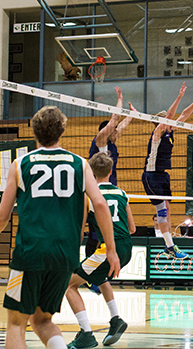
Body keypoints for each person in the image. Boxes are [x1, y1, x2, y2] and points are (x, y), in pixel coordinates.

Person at [0, 106, 120, 349]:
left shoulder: (19, 164)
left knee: (16, 324)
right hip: (65, 256)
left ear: (34, 131)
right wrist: (111, 250)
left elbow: (2, 217)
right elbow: (99, 203)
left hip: (29, 254)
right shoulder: (80, 164)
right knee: (42, 320)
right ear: (62, 132)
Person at [66, 152, 136, 349]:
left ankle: (86, 334)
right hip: (127, 249)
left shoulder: (90, 196)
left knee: (69, 286)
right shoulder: (122, 194)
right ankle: (116, 320)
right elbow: (132, 228)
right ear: (111, 171)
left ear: (90, 172)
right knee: (100, 277)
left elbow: (79, 231)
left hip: (107, 249)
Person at [142, 82, 193, 259]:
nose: (172, 122)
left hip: (162, 175)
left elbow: (184, 114)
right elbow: (171, 115)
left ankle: (169, 245)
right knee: (161, 209)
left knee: (167, 208)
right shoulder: (157, 133)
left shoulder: (170, 130)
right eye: (168, 121)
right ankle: (169, 246)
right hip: (150, 175)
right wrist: (179, 96)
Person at [87, 87, 135, 293]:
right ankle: (92, 275)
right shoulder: (100, 141)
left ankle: (98, 275)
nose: (118, 133)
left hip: (110, 191)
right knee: (97, 233)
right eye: (113, 131)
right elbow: (114, 120)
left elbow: (120, 125)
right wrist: (120, 99)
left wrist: (132, 115)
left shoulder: (112, 143)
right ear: (107, 131)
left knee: (107, 234)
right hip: (96, 191)